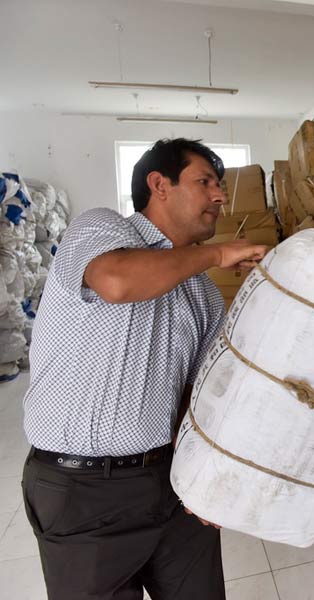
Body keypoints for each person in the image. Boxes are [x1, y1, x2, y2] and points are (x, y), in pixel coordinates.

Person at [20, 138, 268, 600]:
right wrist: (218, 254)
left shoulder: (203, 295)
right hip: (82, 491)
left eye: (220, 185)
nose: (220, 196)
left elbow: (196, 399)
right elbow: (117, 281)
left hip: (169, 484)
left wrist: (204, 478)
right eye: (205, 182)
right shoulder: (100, 228)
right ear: (159, 185)